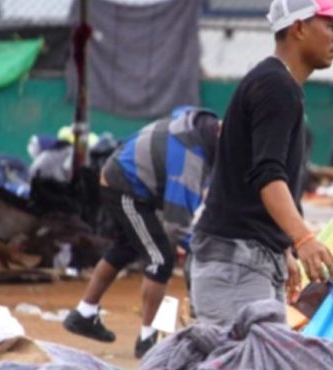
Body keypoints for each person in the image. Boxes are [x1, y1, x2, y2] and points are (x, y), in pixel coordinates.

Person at [189, 0, 333, 324]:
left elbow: (246, 178)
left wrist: (281, 244)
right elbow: (268, 176)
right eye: (330, 26)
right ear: (298, 28)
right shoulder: (276, 87)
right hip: (235, 266)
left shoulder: (277, 85)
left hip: (242, 261)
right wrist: (304, 239)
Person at [63, 106, 220, 357]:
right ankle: (149, 340)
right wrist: (207, 251)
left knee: (126, 247)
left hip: (125, 178)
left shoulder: (198, 120)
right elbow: (177, 225)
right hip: (126, 187)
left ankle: (84, 313)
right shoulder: (191, 161)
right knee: (161, 258)